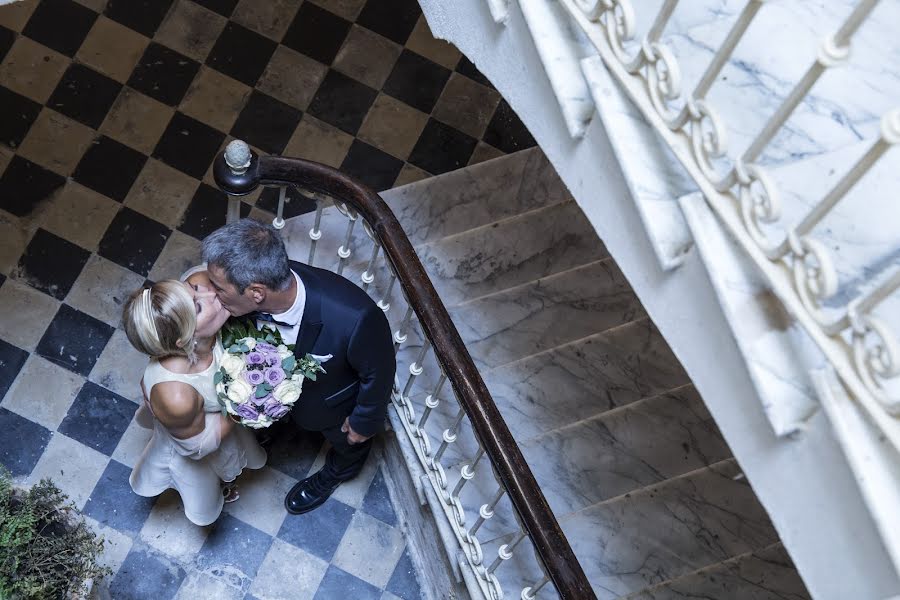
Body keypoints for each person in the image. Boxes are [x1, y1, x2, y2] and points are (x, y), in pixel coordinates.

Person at [201, 219, 396, 514]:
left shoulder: (355, 318)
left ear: (256, 293)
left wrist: (363, 423)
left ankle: (338, 472)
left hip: (332, 408)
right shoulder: (252, 294)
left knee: (348, 446)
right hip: (284, 394)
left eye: (218, 288)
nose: (211, 294)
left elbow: (379, 372)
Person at [122, 270, 266, 526]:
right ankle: (221, 487)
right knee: (203, 480)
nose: (214, 293)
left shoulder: (203, 280)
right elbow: (197, 447)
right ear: (183, 339)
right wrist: (244, 403)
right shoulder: (177, 397)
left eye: (193, 288)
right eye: (198, 306)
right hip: (200, 437)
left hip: (211, 416)